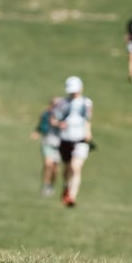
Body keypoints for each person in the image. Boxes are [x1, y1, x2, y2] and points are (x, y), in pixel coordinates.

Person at [52, 76, 93, 207]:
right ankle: (66, 186)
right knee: (67, 168)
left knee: (76, 167)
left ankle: (72, 196)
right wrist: (59, 124)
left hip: (80, 140)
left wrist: (88, 132)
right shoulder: (62, 103)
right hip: (65, 139)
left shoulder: (86, 103)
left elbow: (87, 119)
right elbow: (53, 119)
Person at [31, 97, 62, 196]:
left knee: (55, 169)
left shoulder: (65, 115)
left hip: (60, 144)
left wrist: (58, 124)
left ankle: (51, 185)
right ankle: (45, 185)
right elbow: (41, 124)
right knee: (48, 164)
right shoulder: (46, 113)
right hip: (48, 141)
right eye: (54, 104)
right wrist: (37, 132)